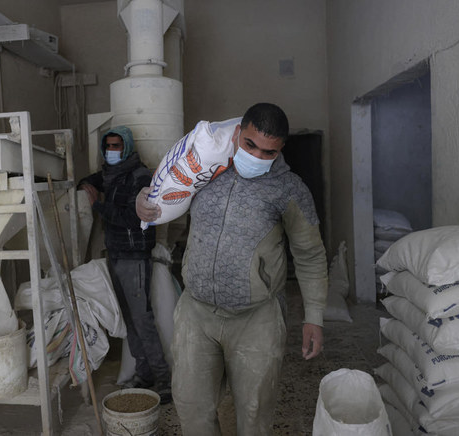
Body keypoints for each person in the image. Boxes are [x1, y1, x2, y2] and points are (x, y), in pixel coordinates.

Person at [137, 103, 327, 434]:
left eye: (268, 152)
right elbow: (167, 192)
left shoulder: (290, 189)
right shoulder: (207, 168)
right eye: (250, 144)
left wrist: (314, 316)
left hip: (256, 319)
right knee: (192, 409)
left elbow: (310, 254)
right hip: (196, 313)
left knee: (254, 414)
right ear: (238, 132)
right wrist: (144, 200)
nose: (256, 156)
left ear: (281, 149)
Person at [78, 126, 172, 404]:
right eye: (108, 146)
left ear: (127, 147)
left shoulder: (139, 176)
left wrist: (98, 206)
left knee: (142, 319)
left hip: (134, 255)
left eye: (116, 146)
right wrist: (84, 184)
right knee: (130, 319)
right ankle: (144, 374)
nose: (111, 151)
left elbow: (134, 218)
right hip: (116, 253)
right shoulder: (110, 174)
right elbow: (89, 180)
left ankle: (164, 381)